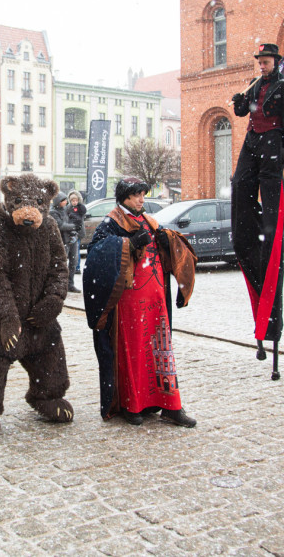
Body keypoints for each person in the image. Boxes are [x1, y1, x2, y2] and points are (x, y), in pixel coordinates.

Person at [83, 177, 198, 427]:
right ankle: (131, 403)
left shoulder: (149, 220)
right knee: (133, 353)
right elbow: (95, 257)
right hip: (129, 305)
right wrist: (128, 244)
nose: (141, 200)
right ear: (124, 197)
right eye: (136, 195)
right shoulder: (111, 222)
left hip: (156, 301)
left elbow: (168, 250)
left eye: (143, 195)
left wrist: (169, 241)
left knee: (161, 352)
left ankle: (170, 405)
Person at [230, 43, 284, 377]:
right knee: (240, 184)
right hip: (252, 140)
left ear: (275, 62)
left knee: (269, 188)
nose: (262, 66)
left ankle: (268, 230)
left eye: (266, 61)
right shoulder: (256, 84)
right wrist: (239, 101)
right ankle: (248, 223)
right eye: (260, 62)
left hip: (272, 139)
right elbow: (244, 113)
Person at [48, 192, 79, 293]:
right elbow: (61, 225)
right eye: (63, 200)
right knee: (62, 263)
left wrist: (74, 231)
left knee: (73, 262)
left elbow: (72, 220)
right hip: (62, 240)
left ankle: (70, 284)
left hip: (71, 239)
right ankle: (60, 284)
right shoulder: (53, 212)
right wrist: (74, 226)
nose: (66, 202)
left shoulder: (66, 209)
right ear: (58, 201)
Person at [67, 191, 86, 274]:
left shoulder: (80, 207)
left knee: (76, 250)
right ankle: (74, 267)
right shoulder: (69, 207)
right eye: (72, 200)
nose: (74, 202)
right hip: (71, 231)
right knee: (72, 250)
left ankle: (76, 267)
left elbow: (80, 218)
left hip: (77, 231)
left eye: (76, 200)